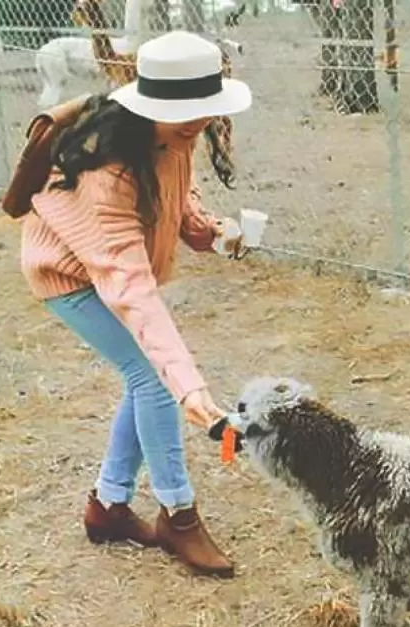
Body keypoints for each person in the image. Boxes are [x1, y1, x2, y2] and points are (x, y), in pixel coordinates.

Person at [18, 31, 253, 579]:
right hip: (68, 273)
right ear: (151, 103)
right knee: (154, 377)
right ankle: (179, 514)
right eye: (185, 110)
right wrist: (192, 389)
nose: (197, 121)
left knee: (142, 376)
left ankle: (108, 507)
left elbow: (179, 190)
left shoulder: (176, 133)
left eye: (206, 107)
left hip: (112, 268)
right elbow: (131, 289)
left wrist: (207, 229)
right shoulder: (110, 170)